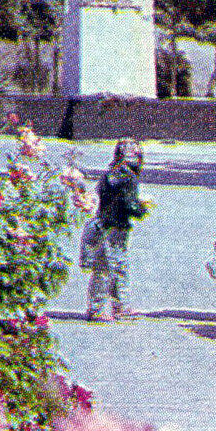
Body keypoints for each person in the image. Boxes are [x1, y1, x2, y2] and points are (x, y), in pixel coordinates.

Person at [85, 138, 151, 323]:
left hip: (104, 225)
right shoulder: (129, 177)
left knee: (112, 267)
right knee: (109, 269)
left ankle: (119, 306)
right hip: (116, 228)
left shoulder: (108, 175)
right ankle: (100, 309)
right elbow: (129, 204)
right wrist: (142, 209)